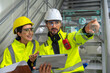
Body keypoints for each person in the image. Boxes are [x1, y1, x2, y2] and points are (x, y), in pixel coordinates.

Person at [39, 8, 100, 73]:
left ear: (60, 24)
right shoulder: (43, 48)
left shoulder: (69, 37)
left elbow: (79, 36)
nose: (54, 26)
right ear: (46, 25)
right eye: (51, 23)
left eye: (57, 22)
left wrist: (86, 31)